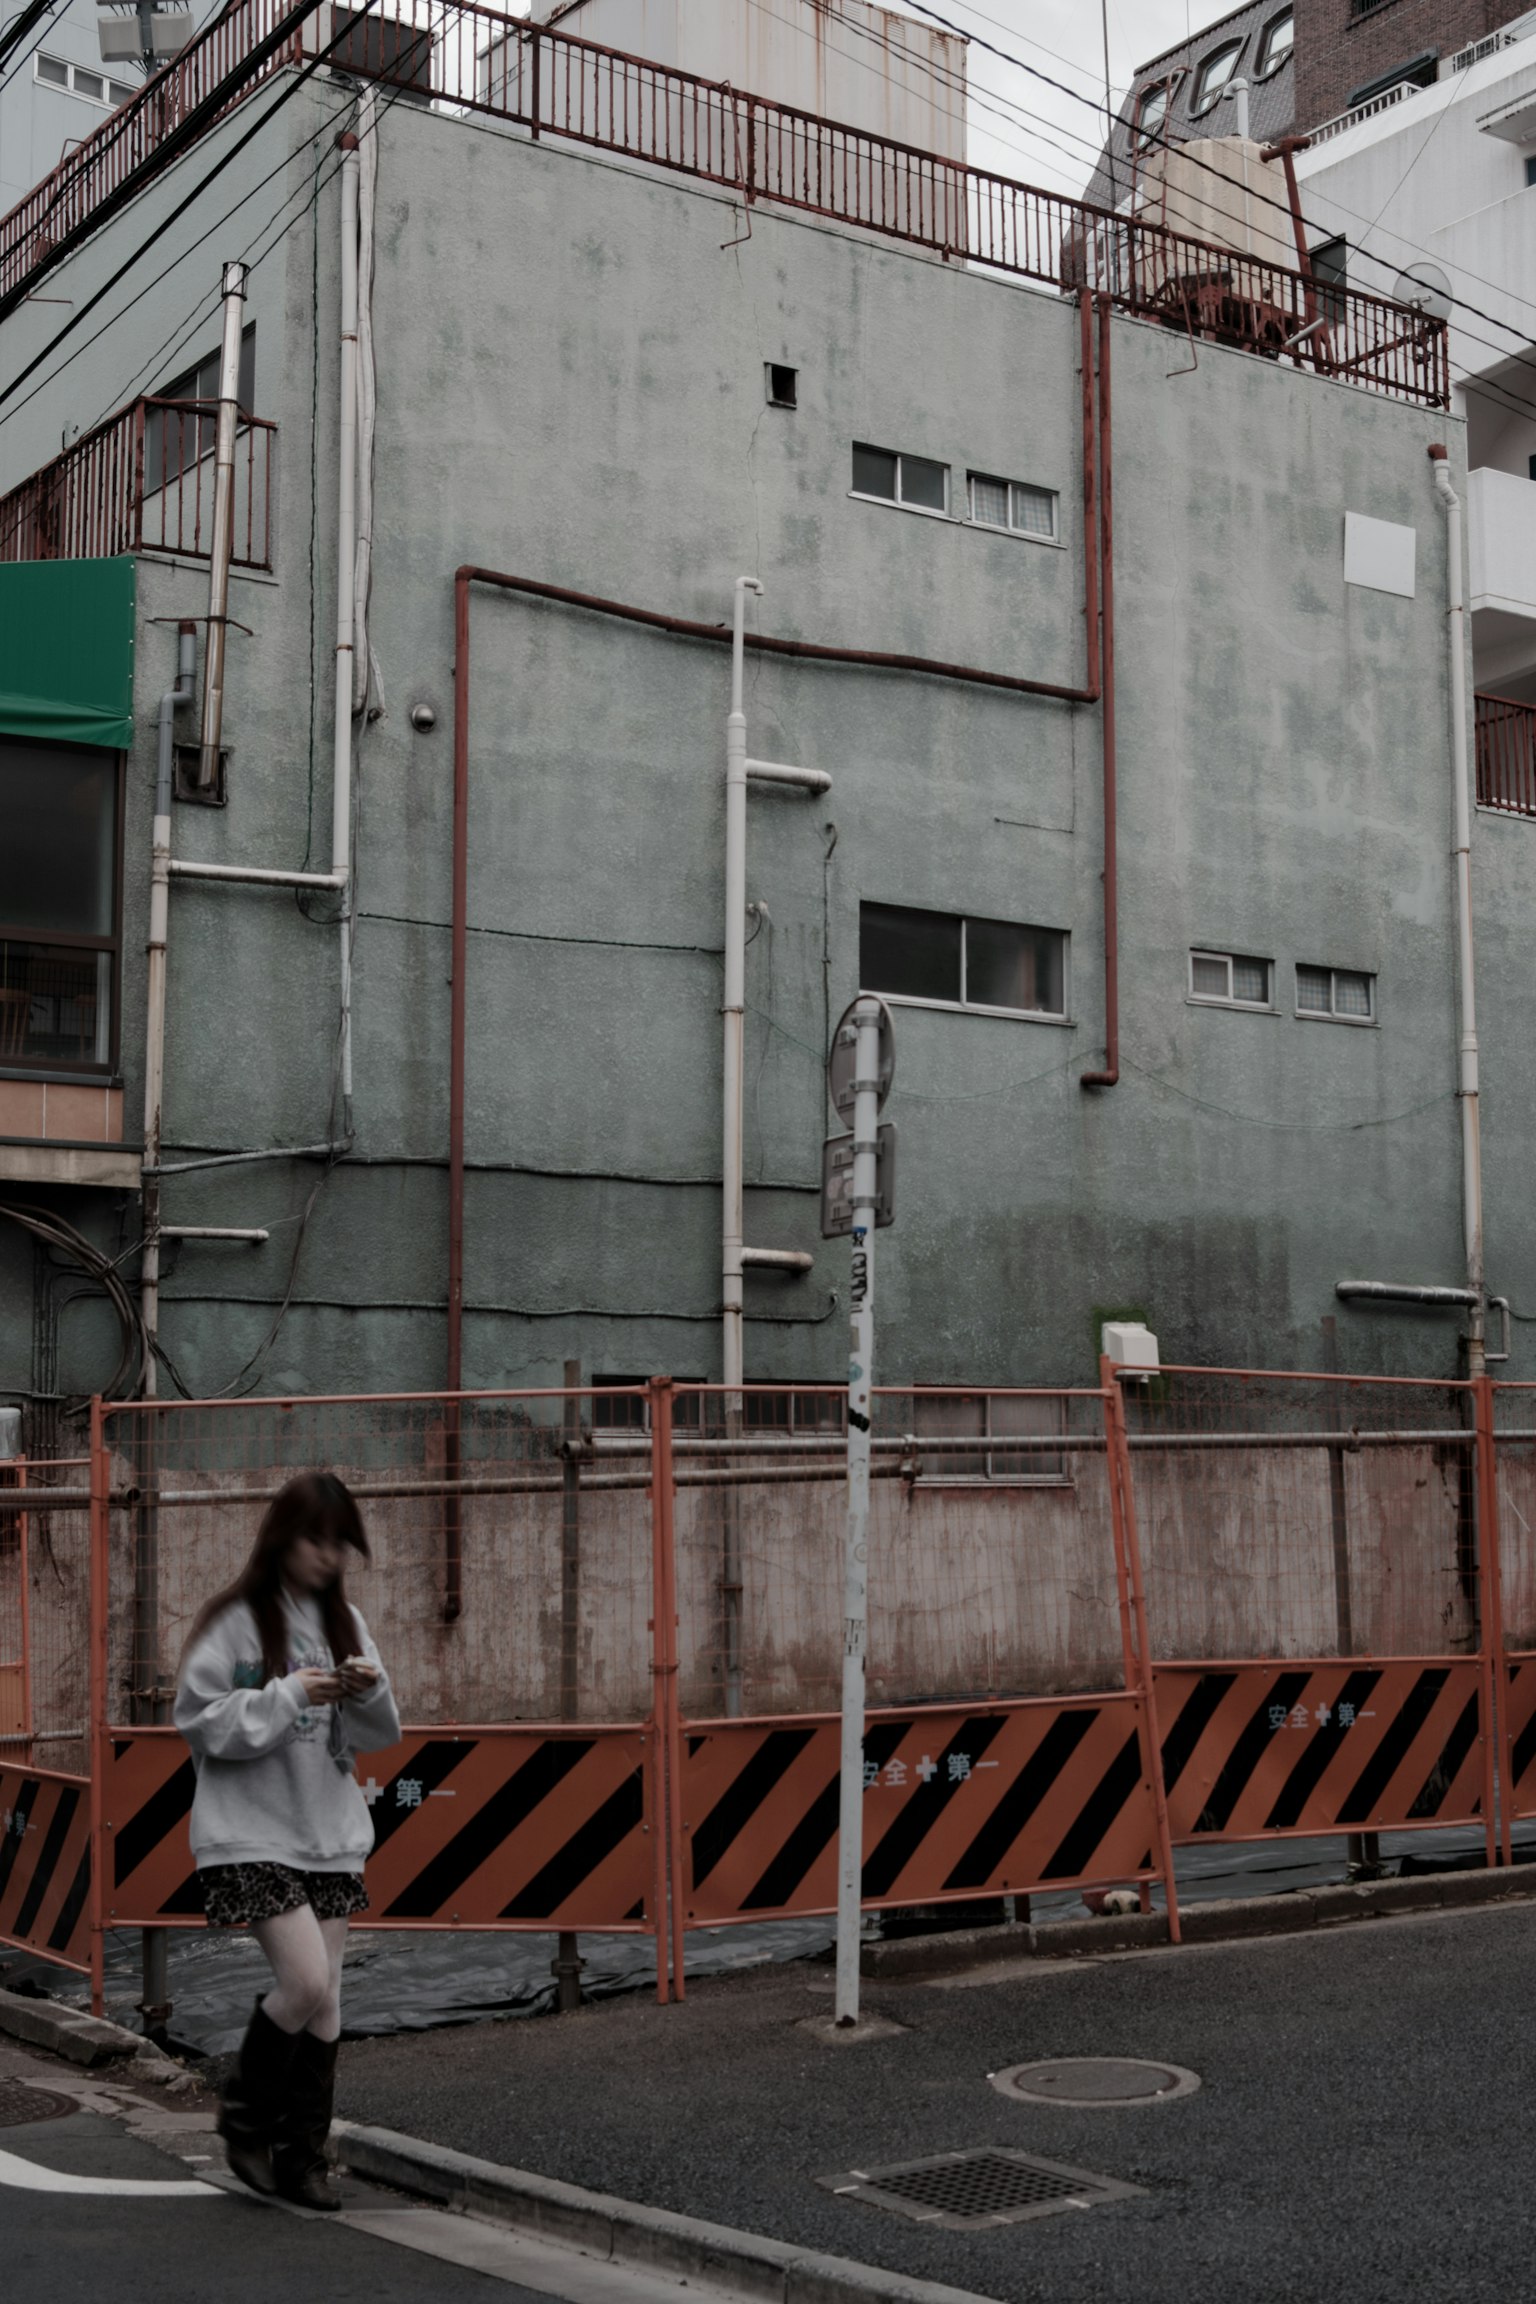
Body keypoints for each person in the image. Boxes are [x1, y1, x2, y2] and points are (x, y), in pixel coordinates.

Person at [174, 1469, 400, 2209]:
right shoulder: (236, 1621)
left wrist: (368, 1693)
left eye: (341, 1543)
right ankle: (242, 2122)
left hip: (328, 1831)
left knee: (327, 2000)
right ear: (283, 1537)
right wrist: (291, 1692)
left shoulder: (349, 1624)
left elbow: (379, 1735)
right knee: (304, 1982)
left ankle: (301, 2161)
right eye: (316, 1539)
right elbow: (198, 1720)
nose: (329, 1556)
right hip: (248, 1833)